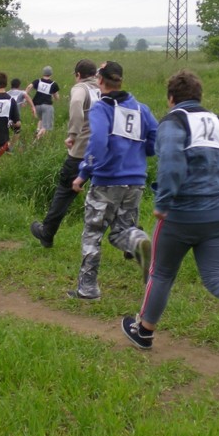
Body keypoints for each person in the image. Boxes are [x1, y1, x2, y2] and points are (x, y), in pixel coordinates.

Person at [121, 70, 219, 353]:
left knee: (161, 274)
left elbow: (172, 163)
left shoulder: (174, 121)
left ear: (171, 98)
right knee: (217, 276)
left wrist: (163, 202)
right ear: (199, 96)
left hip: (181, 214)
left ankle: (144, 331)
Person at [68, 61, 157, 300]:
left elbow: (97, 142)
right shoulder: (141, 108)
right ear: (121, 80)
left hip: (107, 180)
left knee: (93, 232)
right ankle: (137, 240)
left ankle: (87, 288)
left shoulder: (101, 108)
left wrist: (84, 172)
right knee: (121, 231)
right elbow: (155, 136)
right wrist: (145, 151)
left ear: (100, 80)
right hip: (136, 180)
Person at [30, 58, 100, 248]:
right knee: (108, 192)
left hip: (81, 149)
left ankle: (47, 232)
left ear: (78, 75)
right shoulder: (102, 88)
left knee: (64, 191)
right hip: (103, 149)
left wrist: (73, 133)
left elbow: (76, 103)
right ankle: (130, 236)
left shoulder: (81, 88)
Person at [26, 65, 60, 140]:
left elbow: (29, 87)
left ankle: (38, 130)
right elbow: (56, 96)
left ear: (43, 73)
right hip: (47, 106)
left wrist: (25, 95)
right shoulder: (53, 84)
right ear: (51, 74)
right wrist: (55, 98)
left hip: (37, 105)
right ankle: (37, 140)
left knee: (41, 119)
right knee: (46, 126)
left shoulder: (38, 81)